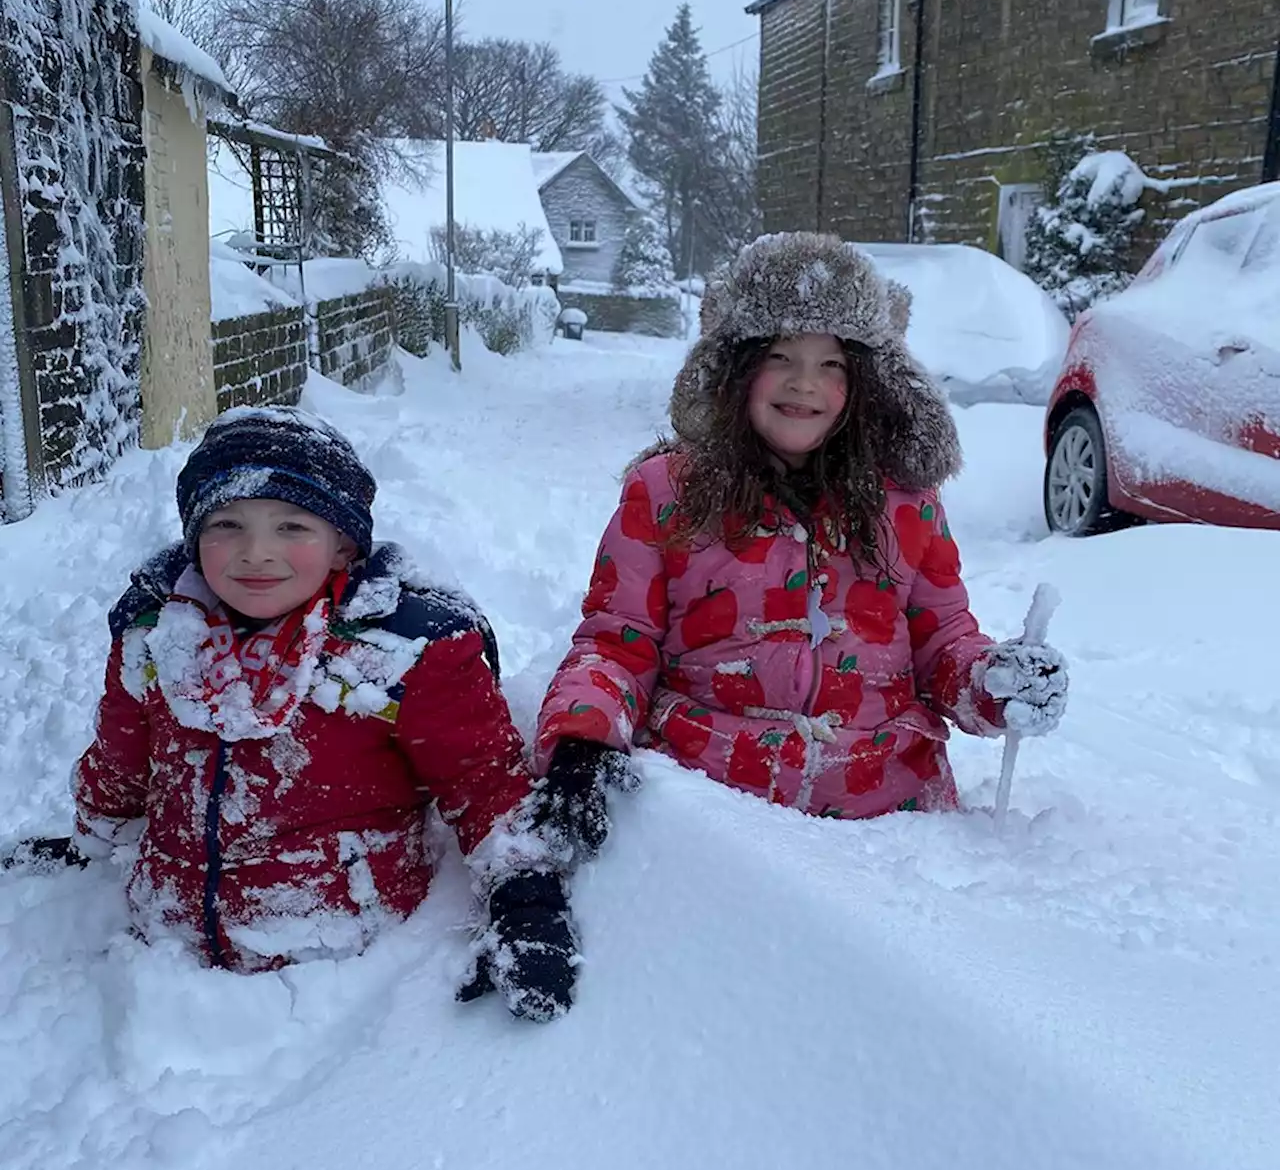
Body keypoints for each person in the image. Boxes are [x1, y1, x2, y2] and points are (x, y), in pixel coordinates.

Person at [530, 231, 1068, 858]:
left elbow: (943, 641)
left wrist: (991, 682)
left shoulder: (908, 504)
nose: (804, 384)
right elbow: (616, 643)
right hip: (713, 805)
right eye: (781, 357)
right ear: (739, 366)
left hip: (895, 822)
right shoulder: (666, 493)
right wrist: (581, 739)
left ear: (865, 381)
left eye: (831, 364)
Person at [70, 405, 575, 1020]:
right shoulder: (156, 635)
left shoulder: (403, 652)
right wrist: (94, 836)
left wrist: (525, 899)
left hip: (337, 979)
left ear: (343, 545)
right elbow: (122, 757)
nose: (256, 553)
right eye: (226, 523)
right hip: (162, 961)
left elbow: (485, 784)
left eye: (291, 527)